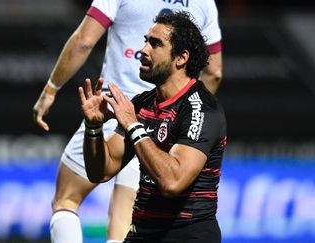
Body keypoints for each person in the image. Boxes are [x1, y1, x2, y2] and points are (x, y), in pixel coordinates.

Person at [32, 0, 222, 242]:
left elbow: (84, 41)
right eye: (145, 41)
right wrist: (94, 128)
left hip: (125, 109)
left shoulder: (201, 110)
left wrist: (51, 90)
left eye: (154, 44)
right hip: (123, 113)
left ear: (181, 58)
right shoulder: (204, 3)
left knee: (66, 199)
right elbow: (214, 72)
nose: (142, 50)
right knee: (124, 225)